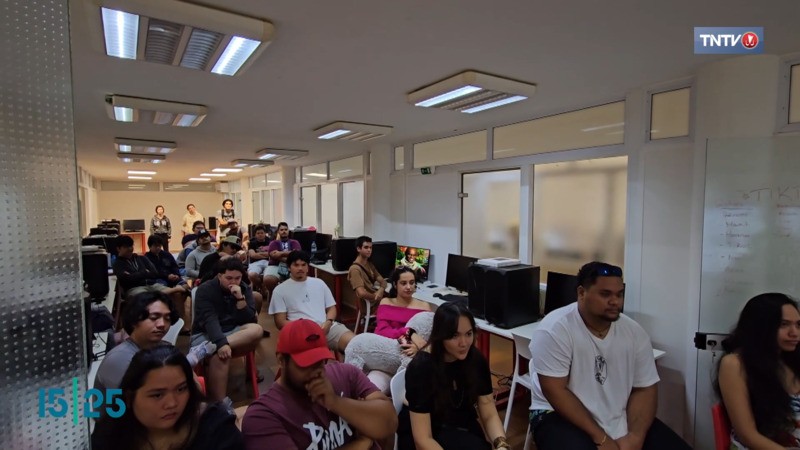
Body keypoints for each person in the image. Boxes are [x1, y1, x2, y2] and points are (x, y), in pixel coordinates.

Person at [528, 261, 690, 450]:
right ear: (581, 293)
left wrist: (635, 437)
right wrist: (602, 439)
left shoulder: (634, 333)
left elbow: (644, 388)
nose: (615, 302)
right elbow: (555, 391)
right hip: (555, 412)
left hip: (616, 413)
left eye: (619, 294)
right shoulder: (555, 329)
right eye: (605, 294)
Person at [241, 319, 398, 449]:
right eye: (306, 364)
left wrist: (335, 402)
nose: (317, 372)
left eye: (320, 361)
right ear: (281, 360)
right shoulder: (263, 415)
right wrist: (361, 443)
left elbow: (389, 423)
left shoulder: (345, 373)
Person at [92, 345, 244, 450]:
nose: (172, 403)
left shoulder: (216, 427)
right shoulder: (110, 432)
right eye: (157, 395)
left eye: (181, 389)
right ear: (129, 398)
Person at [401, 302, 508, 450]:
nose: (464, 343)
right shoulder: (421, 368)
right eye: (454, 335)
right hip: (428, 430)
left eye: (469, 334)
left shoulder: (475, 359)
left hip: (461, 424)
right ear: (440, 336)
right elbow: (422, 439)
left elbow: (488, 410)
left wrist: (501, 444)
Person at [715, 293, 800, 449]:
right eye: (784, 324)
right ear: (761, 326)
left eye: (798, 325)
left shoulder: (791, 359)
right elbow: (747, 435)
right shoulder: (735, 364)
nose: (794, 333)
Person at [94, 291, 214, 393]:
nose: (162, 324)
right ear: (134, 320)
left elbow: (195, 390)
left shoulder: (165, 347)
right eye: (154, 317)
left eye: (167, 318)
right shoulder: (119, 359)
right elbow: (126, 407)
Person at [345, 266, 433, 391]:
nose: (409, 287)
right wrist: (408, 334)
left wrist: (416, 348)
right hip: (385, 356)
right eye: (403, 283)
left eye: (412, 283)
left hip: (411, 359)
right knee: (370, 390)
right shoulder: (386, 302)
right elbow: (382, 331)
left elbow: (427, 337)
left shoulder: (424, 307)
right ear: (395, 285)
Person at [192, 257, 263, 401]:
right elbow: (209, 320)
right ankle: (220, 404)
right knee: (221, 355)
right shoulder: (205, 290)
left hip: (231, 332)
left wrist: (240, 299)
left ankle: (209, 348)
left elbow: (249, 318)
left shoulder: (243, 288)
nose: (233, 282)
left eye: (237, 278)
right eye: (229, 278)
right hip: (205, 333)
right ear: (220, 276)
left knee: (256, 329)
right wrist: (221, 343)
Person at [269, 250, 354, 353]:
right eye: (296, 265)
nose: (300, 268)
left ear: (308, 267)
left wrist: (328, 322)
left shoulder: (319, 283)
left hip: (326, 328)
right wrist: (306, 328)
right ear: (289, 267)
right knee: (313, 356)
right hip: (300, 332)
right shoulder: (280, 290)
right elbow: (280, 322)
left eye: (303, 265)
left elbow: (331, 308)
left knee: (356, 344)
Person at [348, 236, 388, 323]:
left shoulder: (369, 264)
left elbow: (383, 282)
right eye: (366, 247)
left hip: (376, 300)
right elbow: (361, 293)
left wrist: (380, 291)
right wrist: (376, 297)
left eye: (370, 247)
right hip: (370, 305)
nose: (369, 250)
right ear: (358, 249)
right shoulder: (355, 269)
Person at [262, 222, 301, 295]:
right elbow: (273, 256)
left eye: (286, 229)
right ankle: (275, 295)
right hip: (275, 266)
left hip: (291, 266)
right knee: (268, 280)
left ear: (288, 231)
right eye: (282, 230)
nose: (284, 231)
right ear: (278, 231)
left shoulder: (294, 242)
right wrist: (290, 255)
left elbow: (297, 254)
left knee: (299, 279)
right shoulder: (273, 243)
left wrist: (280, 253)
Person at [247, 224, 273, 294]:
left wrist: (258, 254)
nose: (260, 235)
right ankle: (262, 287)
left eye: (262, 233)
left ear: (265, 233)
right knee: (252, 275)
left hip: (268, 262)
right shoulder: (252, 243)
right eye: (258, 233)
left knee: (268, 277)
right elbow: (253, 255)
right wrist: (267, 254)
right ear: (255, 235)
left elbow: (273, 254)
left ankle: (265, 290)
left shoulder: (271, 242)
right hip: (255, 263)